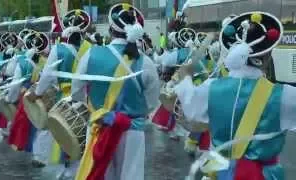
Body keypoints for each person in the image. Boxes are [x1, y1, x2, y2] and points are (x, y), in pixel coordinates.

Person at [174, 12, 290, 179]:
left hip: (221, 173)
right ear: (267, 56)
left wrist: (185, 78)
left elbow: (190, 109)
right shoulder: (285, 95)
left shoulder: (211, 88)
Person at [73, 3, 160, 180]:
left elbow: (76, 91)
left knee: (101, 174)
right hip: (133, 131)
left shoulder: (91, 55)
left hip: (100, 128)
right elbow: (151, 102)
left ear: (110, 30)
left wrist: (95, 111)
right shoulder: (146, 62)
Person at [27, 9, 91, 180]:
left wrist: (38, 93)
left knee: (64, 134)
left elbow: (47, 75)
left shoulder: (59, 49)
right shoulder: (91, 48)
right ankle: (76, 170)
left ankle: (65, 170)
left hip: (65, 98)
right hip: (87, 100)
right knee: (81, 137)